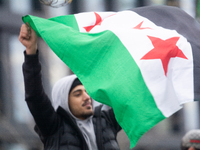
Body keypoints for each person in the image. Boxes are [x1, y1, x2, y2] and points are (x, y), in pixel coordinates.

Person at [19, 23, 121, 150]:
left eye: (87, 92)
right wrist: (31, 52)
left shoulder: (106, 122)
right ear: (64, 101)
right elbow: (34, 96)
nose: (86, 97)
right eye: (78, 94)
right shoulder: (53, 126)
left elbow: (129, 96)